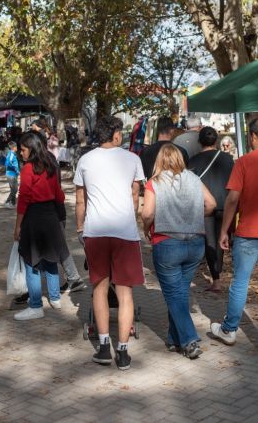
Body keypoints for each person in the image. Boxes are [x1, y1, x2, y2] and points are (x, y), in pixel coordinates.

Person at [210, 117, 258, 357]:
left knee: (240, 282)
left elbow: (232, 198)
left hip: (249, 232)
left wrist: (224, 230)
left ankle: (229, 329)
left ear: (252, 136)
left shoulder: (243, 162)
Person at [74, 116, 144, 370]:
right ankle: (123, 352)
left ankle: (104, 347)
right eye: (121, 133)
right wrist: (129, 216)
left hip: (96, 230)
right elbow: (135, 195)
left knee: (100, 289)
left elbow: (80, 200)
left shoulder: (85, 160)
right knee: (125, 292)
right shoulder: (132, 159)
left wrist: (80, 229)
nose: (122, 136)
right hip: (125, 232)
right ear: (115, 135)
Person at [142, 144, 215, 359]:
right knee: (180, 293)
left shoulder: (154, 182)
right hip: (195, 244)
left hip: (167, 243)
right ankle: (174, 339)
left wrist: (146, 229)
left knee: (174, 294)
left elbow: (147, 213)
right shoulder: (194, 179)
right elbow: (211, 204)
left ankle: (189, 340)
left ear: (159, 161)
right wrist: (195, 218)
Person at [13, 132, 69, 321]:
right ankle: (55, 298)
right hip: (51, 216)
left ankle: (35, 305)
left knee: (32, 262)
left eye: (23, 149)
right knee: (51, 258)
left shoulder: (28, 169)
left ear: (32, 148)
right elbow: (59, 194)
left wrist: (17, 226)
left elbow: (24, 199)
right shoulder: (51, 165)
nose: (21, 153)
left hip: (34, 217)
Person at [187, 127, 234, 292]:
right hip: (226, 203)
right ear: (217, 141)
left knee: (210, 242)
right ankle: (218, 275)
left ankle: (216, 279)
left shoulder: (193, 161)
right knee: (222, 238)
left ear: (200, 142)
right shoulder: (228, 159)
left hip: (205, 205)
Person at [4, 141, 20, 208]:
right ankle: (8, 202)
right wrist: (15, 169)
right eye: (16, 147)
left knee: (14, 189)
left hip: (13, 174)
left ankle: (13, 203)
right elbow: (7, 163)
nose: (17, 148)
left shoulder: (13, 154)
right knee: (14, 189)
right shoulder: (11, 154)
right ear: (14, 147)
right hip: (11, 175)